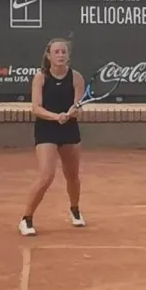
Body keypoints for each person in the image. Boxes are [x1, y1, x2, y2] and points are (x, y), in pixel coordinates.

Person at [18, 37, 86, 237]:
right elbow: (36, 108)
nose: (60, 55)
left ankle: (75, 210)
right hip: (46, 129)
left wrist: (72, 112)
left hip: (69, 129)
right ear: (48, 55)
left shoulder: (76, 78)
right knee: (46, 176)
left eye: (64, 52)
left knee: (72, 175)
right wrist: (56, 117)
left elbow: (78, 107)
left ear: (68, 55)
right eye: (56, 52)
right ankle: (26, 219)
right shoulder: (40, 77)